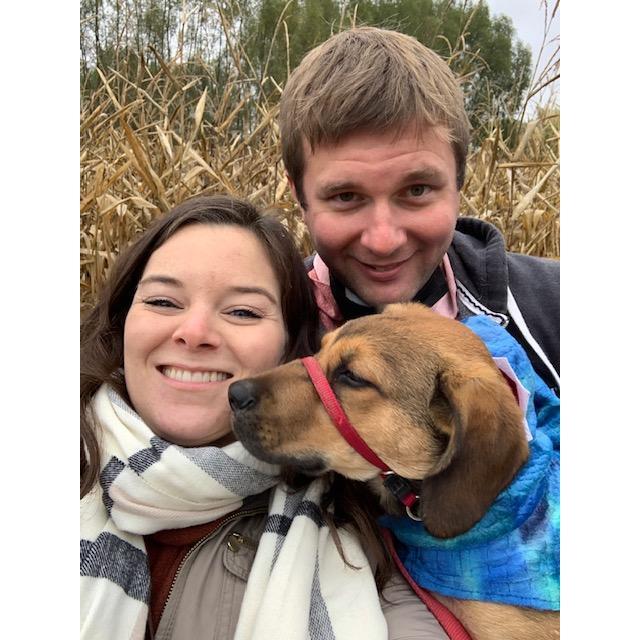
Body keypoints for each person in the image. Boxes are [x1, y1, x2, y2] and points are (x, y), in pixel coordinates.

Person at [80, 195, 449, 639]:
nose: (193, 333)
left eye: (242, 311)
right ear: (122, 321)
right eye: (162, 301)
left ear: (292, 344)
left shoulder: (372, 555)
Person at [278, 27, 560, 397]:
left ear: (459, 180)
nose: (383, 241)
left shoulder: (557, 309)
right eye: (346, 196)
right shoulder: (266, 323)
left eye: (416, 191)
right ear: (300, 195)